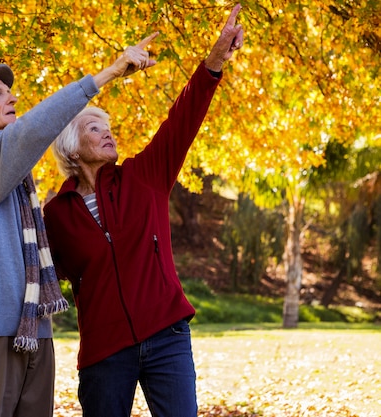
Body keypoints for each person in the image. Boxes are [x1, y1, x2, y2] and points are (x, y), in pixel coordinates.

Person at [0, 32, 159, 417]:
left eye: (9, 92)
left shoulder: (14, 174)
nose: (12, 98)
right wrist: (104, 76)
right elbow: (32, 131)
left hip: (34, 331)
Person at [43, 5, 244, 417]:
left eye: (108, 126)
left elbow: (182, 119)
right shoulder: (56, 214)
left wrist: (215, 62)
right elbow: (44, 273)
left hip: (166, 334)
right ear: (69, 148)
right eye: (94, 127)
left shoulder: (143, 176)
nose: (107, 132)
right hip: (104, 351)